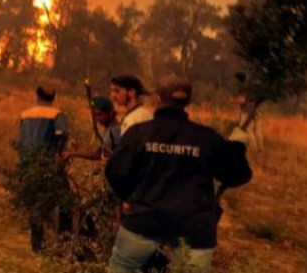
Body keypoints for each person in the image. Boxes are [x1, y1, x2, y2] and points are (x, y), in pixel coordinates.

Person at [105, 76, 252, 273]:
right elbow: (237, 175)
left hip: (144, 221)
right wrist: (237, 146)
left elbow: (115, 173)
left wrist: (129, 198)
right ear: (187, 101)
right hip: (194, 229)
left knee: (122, 267)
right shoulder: (206, 138)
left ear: (158, 98)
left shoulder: (139, 133)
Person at [18, 86, 71, 254]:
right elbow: (61, 134)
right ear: (53, 97)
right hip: (49, 164)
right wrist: (59, 154)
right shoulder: (57, 114)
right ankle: (64, 241)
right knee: (65, 201)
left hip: (28, 164)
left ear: (37, 96)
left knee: (36, 203)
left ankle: (37, 245)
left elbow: (21, 139)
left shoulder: (24, 114)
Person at [61, 96, 120, 161]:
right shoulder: (108, 129)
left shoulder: (116, 130)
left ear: (110, 113)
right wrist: (72, 153)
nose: (97, 118)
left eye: (99, 114)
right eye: (95, 115)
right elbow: (98, 154)